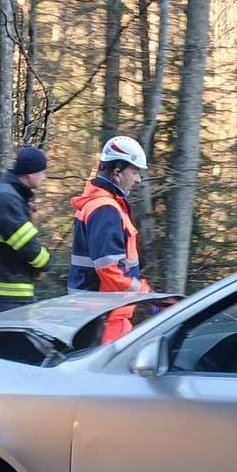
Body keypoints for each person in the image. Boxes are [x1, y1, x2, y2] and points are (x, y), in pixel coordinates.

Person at [69, 135, 154, 343]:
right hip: (104, 318)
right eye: (134, 172)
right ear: (117, 172)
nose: (138, 180)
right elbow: (110, 271)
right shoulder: (105, 209)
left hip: (99, 315)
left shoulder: (101, 204)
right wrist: (146, 293)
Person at [0, 145, 53, 314]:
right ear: (30, 175)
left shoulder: (7, 194)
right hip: (3, 295)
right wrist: (45, 265)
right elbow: (27, 246)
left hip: (3, 292)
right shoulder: (7, 199)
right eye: (42, 173)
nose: (44, 177)